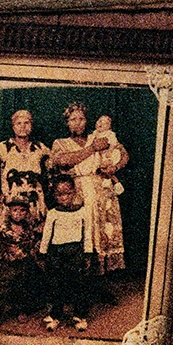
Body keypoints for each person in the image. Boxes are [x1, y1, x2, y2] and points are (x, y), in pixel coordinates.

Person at [50, 101, 130, 274]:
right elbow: (63, 161)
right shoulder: (61, 143)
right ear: (67, 123)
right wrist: (93, 148)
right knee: (82, 234)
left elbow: (123, 154)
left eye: (81, 119)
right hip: (78, 192)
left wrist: (114, 167)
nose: (77, 123)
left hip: (103, 191)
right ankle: (83, 275)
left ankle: (102, 275)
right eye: (73, 120)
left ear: (87, 121)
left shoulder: (98, 136)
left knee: (105, 232)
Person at [0, 108, 50, 282]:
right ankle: (9, 278)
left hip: (34, 201)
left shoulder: (40, 148)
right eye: (19, 123)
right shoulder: (3, 148)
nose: (23, 127)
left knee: (35, 237)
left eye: (27, 123)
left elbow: (52, 172)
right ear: (13, 126)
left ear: (32, 125)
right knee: (10, 237)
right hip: (12, 201)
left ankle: (33, 279)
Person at [35, 172, 97, 330]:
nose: (64, 198)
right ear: (54, 195)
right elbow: (47, 235)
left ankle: (79, 316)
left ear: (74, 192)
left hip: (75, 252)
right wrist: (43, 253)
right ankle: (56, 315)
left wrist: (87, 254)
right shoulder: (53, 213)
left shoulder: (83, 212)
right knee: (56, 284)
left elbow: (87, 233)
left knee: (78, 284)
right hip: (57, 253)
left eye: (68, 193)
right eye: (59, 195)